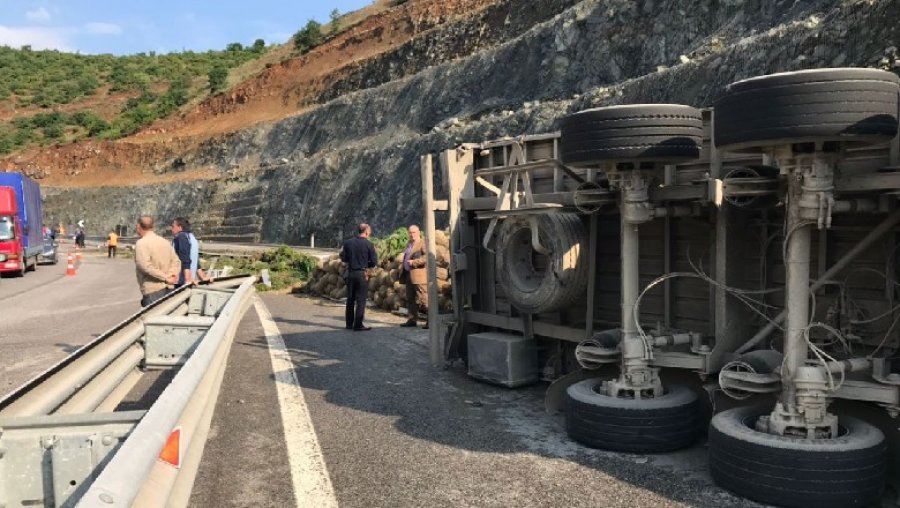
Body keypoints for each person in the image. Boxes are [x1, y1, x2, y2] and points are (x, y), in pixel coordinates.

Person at [134, 215, 180, 307]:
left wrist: (165, 278)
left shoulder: (141, 243)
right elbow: (176, 261)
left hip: (153, 290)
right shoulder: (165, 242)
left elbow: (145, 266)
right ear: (153, 226)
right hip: (169, 288)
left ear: (138, 226)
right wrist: (171, 276)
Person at [340, 223, 377, 331]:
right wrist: (366, 265)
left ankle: (348, 324)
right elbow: (374, 262)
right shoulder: (369, 244)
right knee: (361, 300)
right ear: (366, 232)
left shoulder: (348, 243)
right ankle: (358, 324)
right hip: (362, 274)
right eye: (369, 231)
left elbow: (344, 258)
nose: (370, 233)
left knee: (350, 299)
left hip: (350, 273)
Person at [400, 224, 429, 329]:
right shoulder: (410, 244)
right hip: (408, 275)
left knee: (423, 298)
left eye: (414, 232)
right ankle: (412, 320)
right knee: (410, 298)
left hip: (419, 276)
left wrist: (414, 262)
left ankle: (430, 321)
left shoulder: (423, 243)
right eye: (410, 232)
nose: (412, 234)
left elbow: (427, 257)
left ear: (419, 232)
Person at [170, 217, 193, 287]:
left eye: (173, 226)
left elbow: (184, 257)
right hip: (185, 277)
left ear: (180, 227)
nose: (171, 229)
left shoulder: (181, 237)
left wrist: (187, 277)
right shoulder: (190, 237)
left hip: (181, 279)